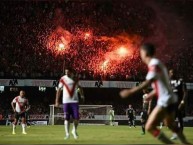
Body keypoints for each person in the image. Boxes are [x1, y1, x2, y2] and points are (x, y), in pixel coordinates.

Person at [120, 43, 190, 144]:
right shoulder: (157, 64)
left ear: (145, 53)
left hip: (166, 100)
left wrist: (130, 91)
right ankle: (185, 143)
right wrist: (151, 95)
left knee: (149, 126)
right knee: (170, 124)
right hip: (170, 99)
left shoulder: (154, 64)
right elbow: (161, 86)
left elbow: (148, 82)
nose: (140, 55)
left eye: (141, 52)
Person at [55, 68, 85, 140]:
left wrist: (82, 95)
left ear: (71, 72)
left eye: (68, 72)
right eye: (66, 72)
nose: (67, 73)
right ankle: (67, 134)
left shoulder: (76, 79)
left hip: (75, 101)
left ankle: (74, 130)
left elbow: (80, 87)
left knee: (77, 118)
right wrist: (56, 101)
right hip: (66, 101)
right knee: (67, 118)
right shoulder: (62, 79)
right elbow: (59, 90)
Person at [169, 69, 187, 140]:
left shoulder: (181, 81)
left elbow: (185, 92)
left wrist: (182, 102)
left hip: (179, 103)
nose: (171, 74)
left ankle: (180, 134)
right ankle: (175, 134)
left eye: (173, 72)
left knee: (180, 119)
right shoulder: (168, 82)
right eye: (170, 73)